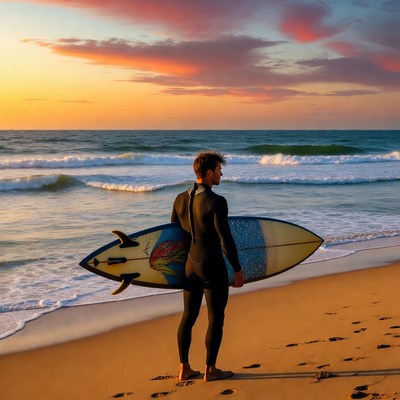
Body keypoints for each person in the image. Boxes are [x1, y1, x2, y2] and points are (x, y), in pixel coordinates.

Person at [171, 151, 245, 382]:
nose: (221, 174)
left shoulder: (180, 199)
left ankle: (184, 368)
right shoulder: (216, 201)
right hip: (212, 266)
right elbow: (226, 240)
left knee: (188, 317)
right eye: (219, 170)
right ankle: (210, 370)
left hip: (189, 268)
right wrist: (238, 269)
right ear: (210, 172)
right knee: (216, 317)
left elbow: (174, 237)